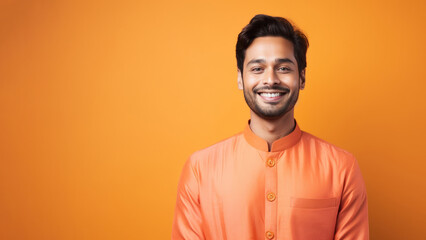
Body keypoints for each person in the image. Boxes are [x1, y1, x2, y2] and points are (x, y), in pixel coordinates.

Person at [171, 14, 369, 240]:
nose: (270, 79)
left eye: (283, 68)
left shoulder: (342, 168)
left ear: (302, 77)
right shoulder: (200, 170)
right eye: (257, 69)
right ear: (240, 78)